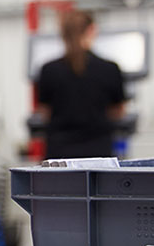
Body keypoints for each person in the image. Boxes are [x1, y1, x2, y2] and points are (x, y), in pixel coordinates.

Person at [37, 10, 127, 158]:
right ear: (92, 30)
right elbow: (118, 112)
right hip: (98, 154)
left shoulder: (48, 70)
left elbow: (44, 113)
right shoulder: (110, 69)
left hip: (59, 154)